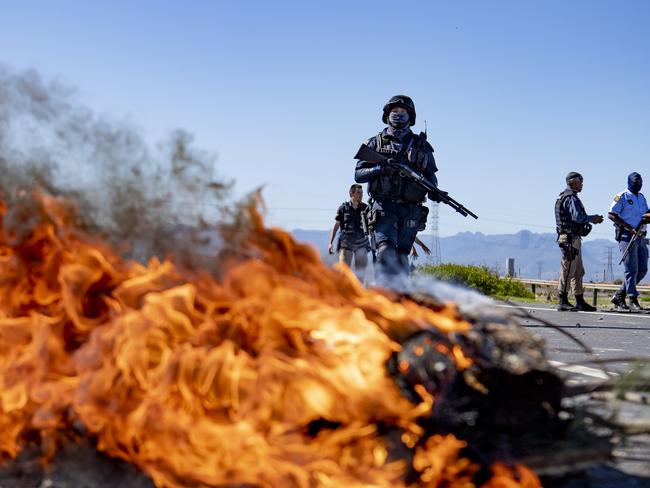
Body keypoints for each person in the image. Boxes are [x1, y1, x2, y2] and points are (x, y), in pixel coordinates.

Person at [354, 95, 438, 278]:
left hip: (410, 211)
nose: (398, 115)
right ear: (387, 115)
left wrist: (435, 192)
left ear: (411, 117)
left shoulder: (422, 146)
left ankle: (398, 299)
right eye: (394, 111)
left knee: (401, 259)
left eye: (403, 112)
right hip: (383, 208)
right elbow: (358, 175)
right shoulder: (374, 143)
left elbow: (432, 179)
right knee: (385, 253)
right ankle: (382, 295)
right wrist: (380, 168)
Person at [555, 172, 604, 311]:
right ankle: (562, 300)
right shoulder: (570, 198)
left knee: (578, 271)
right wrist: (592, 218)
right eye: (580, 181)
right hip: (570, 239)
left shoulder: (565, 196)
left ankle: (579, 300)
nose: (582, 184)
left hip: (572, 238)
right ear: (573, 182)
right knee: (568, 270)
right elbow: (577, 217)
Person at [608, 172, 650, 311]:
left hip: (641, 236)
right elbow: (611, 215)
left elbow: (646, 214)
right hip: (627, 236)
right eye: (635, 181)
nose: (638, 183)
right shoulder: (622, 196)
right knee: (631, 270)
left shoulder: (642, 197)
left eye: (640, 181)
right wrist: (628, 227)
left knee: (642, 269)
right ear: (629, 181)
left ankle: (619, 295)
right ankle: (632, 299)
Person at [328, 184, 370, 278]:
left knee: (360, 275)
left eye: (362, 193)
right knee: (343, 274)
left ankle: (358, 292)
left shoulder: (366, 208)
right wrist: (330, 243)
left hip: (361, 244)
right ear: (351, 193)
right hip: (346, 244)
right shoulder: (343, 208)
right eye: (358, 193)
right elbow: (336, 225)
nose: (361, 195)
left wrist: (374, 242)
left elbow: (371, 226)